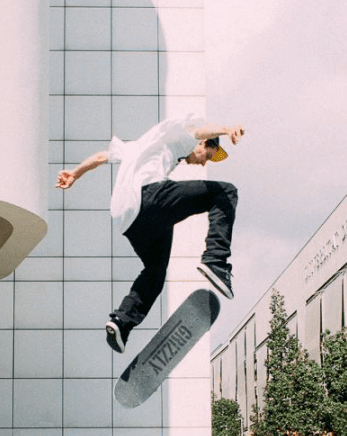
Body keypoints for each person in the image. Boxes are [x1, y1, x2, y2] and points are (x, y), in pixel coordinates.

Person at [57, 115, 245, 352]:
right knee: (226, 192)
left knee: (155, 272)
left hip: (129, 220)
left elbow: (101, 157)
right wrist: (227, 128)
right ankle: (216, 261)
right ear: (204, 145)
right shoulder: (181, 138)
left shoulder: (141, 146)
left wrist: (75, 173)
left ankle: (121, 323)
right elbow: (199, 132)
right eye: (207, 156)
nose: (203, 163)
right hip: (149, 197)